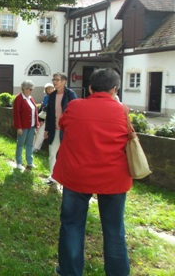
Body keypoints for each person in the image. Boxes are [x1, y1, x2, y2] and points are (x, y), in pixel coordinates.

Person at [53, 68, 132, 276]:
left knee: (71, 225)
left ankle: (70, 271)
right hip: (113, 178)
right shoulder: (122, 110)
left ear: (89, 88)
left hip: (77, 175)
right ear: (115, 89)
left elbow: (63, 124)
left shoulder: (76, 106)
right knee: (114, 230)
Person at [44, 72, 77, 185]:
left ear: (64, 81)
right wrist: (46, 130)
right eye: (53, 79)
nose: (54, 82)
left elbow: (75, 113)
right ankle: (53, 176)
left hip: (66, 130)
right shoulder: (52, 95)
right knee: (52, 153)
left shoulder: (71, 95)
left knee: (66, 155)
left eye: (57, 80)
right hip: (54, 129)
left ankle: (66, 177)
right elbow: (49, 114)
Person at [13, 80, 39, 170]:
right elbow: (16, 114)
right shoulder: (18, 99)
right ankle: (19, 163)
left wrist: (37, 124)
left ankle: (30, 162)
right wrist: (18, 127)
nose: (31, 91)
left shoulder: (31, 98)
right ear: (24, 89)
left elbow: (35, 112)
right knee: (20, 144)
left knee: (30, 144)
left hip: (31, 126)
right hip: (23, 127)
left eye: (32, 89)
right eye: (30, 89)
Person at [33, 83, 54, 152]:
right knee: (37, 131)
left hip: (49, 118)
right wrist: (41, 119)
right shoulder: (46, 97)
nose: (50, 90)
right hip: (43, 117)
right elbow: (42, 109)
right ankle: (33, 146)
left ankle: (36, 147)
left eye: (51, 88)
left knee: (41, 132)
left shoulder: (54, 97)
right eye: (48, 89)